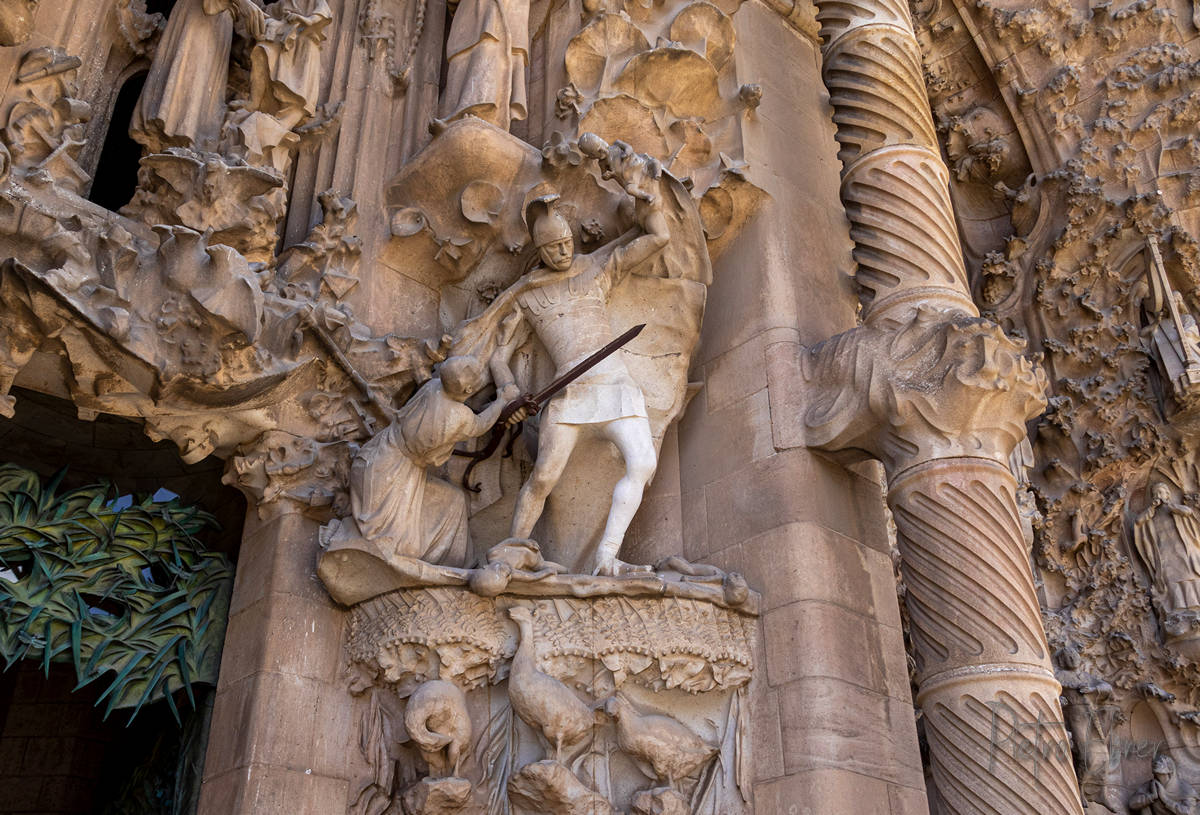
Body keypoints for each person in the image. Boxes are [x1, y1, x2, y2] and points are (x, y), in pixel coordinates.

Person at [485, 188, 669, 575]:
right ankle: (512, 548)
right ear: (540, 250)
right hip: (569, 394)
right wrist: (510, 392)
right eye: (553, 248)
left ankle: (607, 556)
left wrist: (648, 204)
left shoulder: (595, 268)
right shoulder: (526, 294)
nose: (563, 252)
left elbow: (658, 238)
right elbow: (498, 354)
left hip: (617, 385)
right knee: (544, 476)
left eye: (567, 243)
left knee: (642, 463)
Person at [325, 354, 519, 569]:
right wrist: (502, 399)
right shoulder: (459, 415)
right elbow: (481, 424)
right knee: (397, 544)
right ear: (466, 391)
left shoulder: (433, 387)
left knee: (453, 500)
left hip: (379, 453)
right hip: (394, 475)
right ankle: (436, 566)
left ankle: (460, 566)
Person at [130, 0, 265, 153]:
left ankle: (185, 148)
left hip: (221, 24)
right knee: (181, 97)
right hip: (201, 14)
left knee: (199, 118)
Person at [1130, 755, 1199, 815]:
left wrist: (1165, 799)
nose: (1157, 763)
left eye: (1161, 761)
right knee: (1144, 806)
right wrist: (1151, 796)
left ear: (1170, 769)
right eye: (1155, 762)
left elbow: (1189, 812)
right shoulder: (1150, 785)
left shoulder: (1185, 789)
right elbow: (1132, 804)